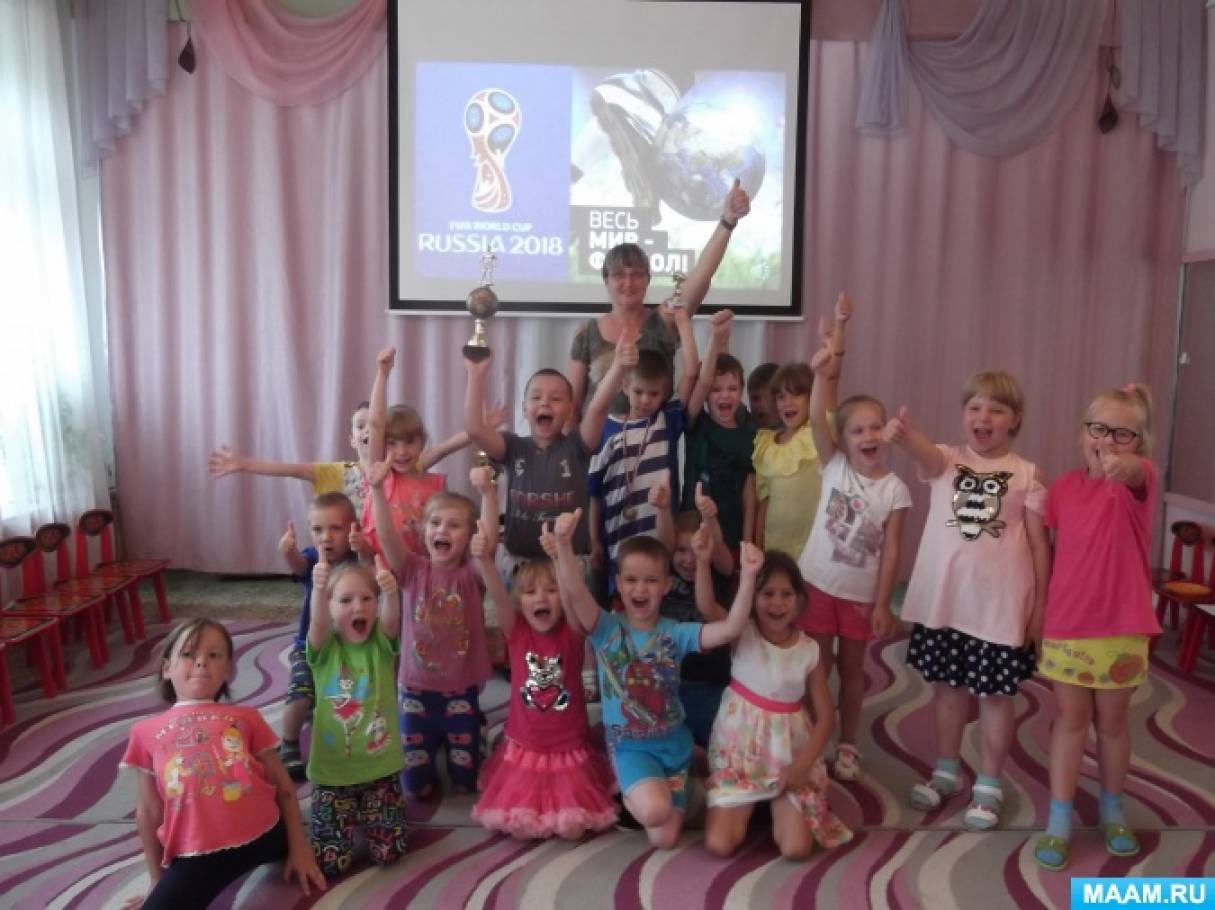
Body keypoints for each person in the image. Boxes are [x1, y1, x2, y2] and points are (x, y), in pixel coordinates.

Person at [886, 370, 1050, 831]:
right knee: (948, 692)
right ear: (963, 415)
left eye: (996, 410)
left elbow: (1040, 547)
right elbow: (923, 451)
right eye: (975, 408)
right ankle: (946, 770)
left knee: (996, 697)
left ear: (1015, 419)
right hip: (949, 606)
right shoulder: (947, 460)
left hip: (998, 610)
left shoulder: (1028, 474)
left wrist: (1040, 609)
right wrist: (904, 436)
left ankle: (990, 783)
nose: (984, 417)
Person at [552, 507, 759, 850]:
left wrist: (749, 576)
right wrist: (563, 545)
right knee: (654, 811)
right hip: (629, 746)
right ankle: (620, 782)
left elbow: (730, 629)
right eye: (631, 580)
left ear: (666, 585)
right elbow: (575, 592)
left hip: (674, 746)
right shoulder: (605, 628)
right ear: (619, 584)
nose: (641, 588)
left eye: (650, 580)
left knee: (664, 838)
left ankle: (679, 771)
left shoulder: (675, 632)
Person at [1034, 385, 1159, 871]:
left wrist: (1125, 466)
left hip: (1122, 627)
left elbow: (1137, 475)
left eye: (1122, 434)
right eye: (1098, 429)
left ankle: (1113, 810)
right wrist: (1040, 611)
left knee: (1111, 724)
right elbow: (1048, 550)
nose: (1106, 440)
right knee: (1069, 721)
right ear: (1081, 432)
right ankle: (1059, 819)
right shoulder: (1063, 489)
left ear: (1139, 443)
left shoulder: (1138, 480)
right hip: (1068, 623)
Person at [120, 619, 324, 909]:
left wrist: (299, 847)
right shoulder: (145, 731)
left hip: (266, 836)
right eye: (188, 654)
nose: (201, 661)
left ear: (228, 670)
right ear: (166, 668)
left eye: (214, 655)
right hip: (196, 857)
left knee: (328, 853)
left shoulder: (247, 717)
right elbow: (149, 811)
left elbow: (283, 786)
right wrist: (157, 880)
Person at [796, 295, 910, 782]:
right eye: (857, 430)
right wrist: (826, 365)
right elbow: (818, 415)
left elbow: (892, 552)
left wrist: (883, 602)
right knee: (817, 667)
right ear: (843, 439)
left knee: (851, 672)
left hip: (860, 597)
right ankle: (814, 736)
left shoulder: (895, 489)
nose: (868, 436)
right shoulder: (835, 465)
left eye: (875, 428)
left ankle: (847, 742)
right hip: (818, 585)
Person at [469, 520, 617, 839]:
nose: (542, 598)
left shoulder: (573, 631)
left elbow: (574, 595)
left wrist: (561, 556)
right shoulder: (516, 630)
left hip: (568, 746)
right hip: (526, 744)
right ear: (520, 602)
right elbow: (498, 595)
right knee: (520, 826)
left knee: (573, 828)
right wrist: (484, 560)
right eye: (531, 592)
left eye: (551, 591)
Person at [703, 553, 853, 860]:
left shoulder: (809, 650)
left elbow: (826, 718)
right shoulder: (741, 632)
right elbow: (707, 606)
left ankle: (773, 804)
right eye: (768, 594)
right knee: (719, 844)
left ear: (799, 600)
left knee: (796, 849)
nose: (777, 603)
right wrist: (703, 560)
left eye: (786, 594)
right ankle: (751, 803)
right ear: (752, 597)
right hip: (740, 761)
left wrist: (801, 766)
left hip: (787, 759)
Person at [567, 181, 751, 418]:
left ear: (648, 279)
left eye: (636, 274)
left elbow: (701, 274)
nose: (628, 282)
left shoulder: (665, 319)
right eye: (619, 275)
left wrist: (727, 222)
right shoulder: (587, 333)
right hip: (599, 440)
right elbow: (572, 406)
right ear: (606, 281)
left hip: (656, 438)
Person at [372, 463, 495, 799]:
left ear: (468, 537)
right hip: (415, 689)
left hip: (461, 691)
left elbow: (488, 543)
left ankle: (473, 729)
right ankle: (435, 740)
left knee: (465, 782)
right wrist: (377, 491)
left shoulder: (472, 573)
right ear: (423, 530)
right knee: (417, 789)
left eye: (454, 525)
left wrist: (488, 493)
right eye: (436, 523)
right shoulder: (412, 569)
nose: (443, 530)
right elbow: (386, 536)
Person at [462, 329, 629, 576]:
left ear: (570, 409)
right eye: (536, 397)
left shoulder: (577, 446)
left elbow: (598, 407)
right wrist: (475, 375)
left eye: (556, 398)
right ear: (524, 408)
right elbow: (475, 429)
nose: (545, 403)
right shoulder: (512, 447)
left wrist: (619, 365)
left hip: (568, 562)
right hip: (519, 565)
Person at [306, 548, 408, 878]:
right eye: (345, 600)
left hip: (381, 770)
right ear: (330, 608)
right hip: (333, 774)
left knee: (391, 853)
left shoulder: (380, 643)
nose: (358, 607)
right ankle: (354, 818)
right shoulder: (325, 649)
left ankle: (367, 816)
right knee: (329, 863)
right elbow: (317, 622)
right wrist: (318, 589)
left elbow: (392, 621)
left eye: (367, 599)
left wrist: (390, 593)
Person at [588, 304, 698, 582]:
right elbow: (595, 493)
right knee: (622, 598)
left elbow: (691, 373)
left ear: (664, 393)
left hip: (659, 539)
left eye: (654, 393)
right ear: (625, 387)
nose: (646, 400)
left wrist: (683, 323)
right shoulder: (607, 428)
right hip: (616, 539)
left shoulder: (666, 421)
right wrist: (594, 539)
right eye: (639, 392)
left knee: (655, 594)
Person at [361, 347, 502, 556]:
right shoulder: (381, 476)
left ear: (422, 442)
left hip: (422, 567)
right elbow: (375, 424)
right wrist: (383, 373)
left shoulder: (435, 485)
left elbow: (446, 448)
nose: (401, 451)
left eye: (410, 442)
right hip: (380, 563)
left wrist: (481, 428)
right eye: (392, 443)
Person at [276, 491, 362, 780]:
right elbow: (298, 566)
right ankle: (288, 743)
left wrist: (363, 547)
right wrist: (288, 551)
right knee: (300, 697)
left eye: (335, 528)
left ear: (352, 528)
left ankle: (340, 741)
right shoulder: (313, 559)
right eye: (317, 529)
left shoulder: (357, 562)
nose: (326, 537)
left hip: (348, 650)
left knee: (346, 701)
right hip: (308, 647)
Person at [208, 402, 373, 517]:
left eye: (374, 426)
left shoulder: (388, 473)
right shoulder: (339, 471)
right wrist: (245, 464)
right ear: (352, 440)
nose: (367, 430)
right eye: (360, 426)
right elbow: (291, 469)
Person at [681, 310, 757, 552]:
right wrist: (715, 339)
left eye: (732, 389)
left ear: (742, 391)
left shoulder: (749, 432)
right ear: (705, 396)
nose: (725, 395)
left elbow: (749, 492)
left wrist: (747, 541)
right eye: (716, 390)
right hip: (695, 529)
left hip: (731, 532)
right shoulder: (698, 424)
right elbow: (704, 381)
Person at [662, 502, 735, 753]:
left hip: (712, 687)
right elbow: (662, 544)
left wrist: (710, 518)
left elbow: (720, 551)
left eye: (696, 550)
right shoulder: (665, 580)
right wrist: (662, 509)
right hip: (672, 688)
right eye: (681, 550)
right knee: (679, 754)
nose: (689, 560)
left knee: (716, 753)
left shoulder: (718, 574)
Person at [752, 360, 821, 559]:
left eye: (796, 394)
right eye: (781, 396)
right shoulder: (766, 445)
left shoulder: (817, 434)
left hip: (812, 548)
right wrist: (758, 548)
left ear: (812, 397)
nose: (787, 402)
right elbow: (763, 504)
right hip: (775, 548)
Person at [747, 362, 780, 431]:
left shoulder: (798, 432)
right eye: (755, 398)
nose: (762, 404)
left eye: (772, 399)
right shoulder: (746, 428)